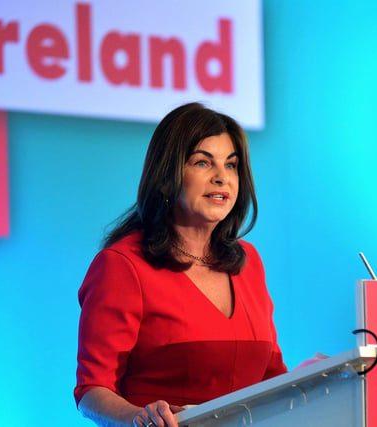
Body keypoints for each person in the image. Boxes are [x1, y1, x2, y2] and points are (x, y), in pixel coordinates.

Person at [74, 102, 287, 427]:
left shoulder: (249, 263)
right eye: (203, 162)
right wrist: (138, 417)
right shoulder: (122, 266)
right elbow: (93, 390)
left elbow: (273, 377)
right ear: (165, 178)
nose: (221, 178)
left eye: (231, 166)